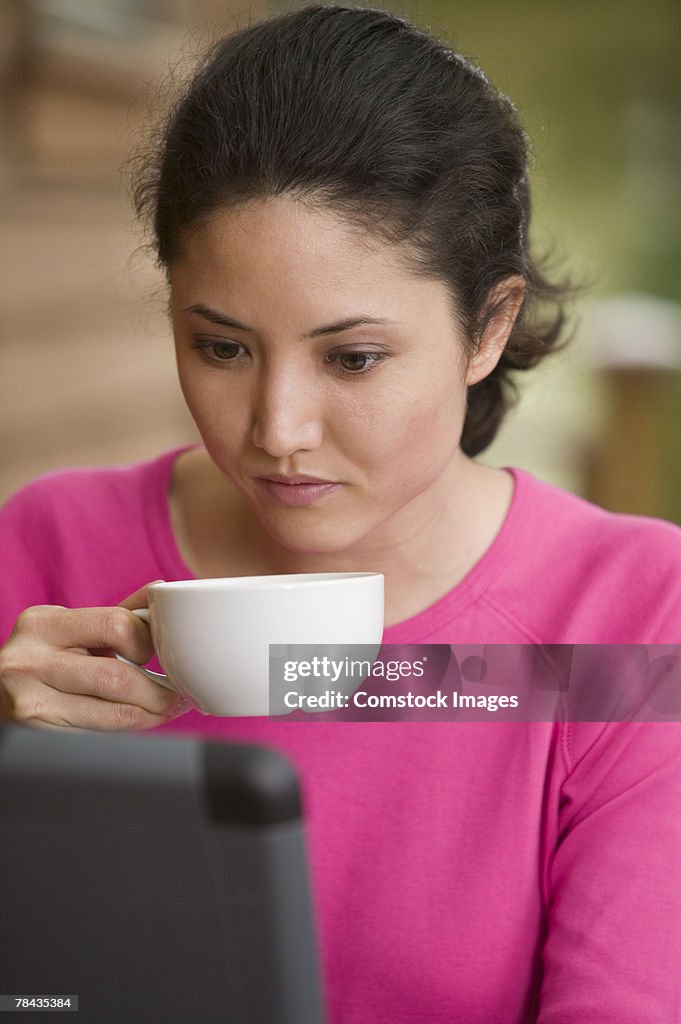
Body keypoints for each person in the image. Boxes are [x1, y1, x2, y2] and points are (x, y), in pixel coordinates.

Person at [1, 4, 681, 1021]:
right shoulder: (47, 548)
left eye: (353, 358)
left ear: (487, 327)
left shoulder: (629, 616)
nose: (277, 429)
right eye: (222, 346)